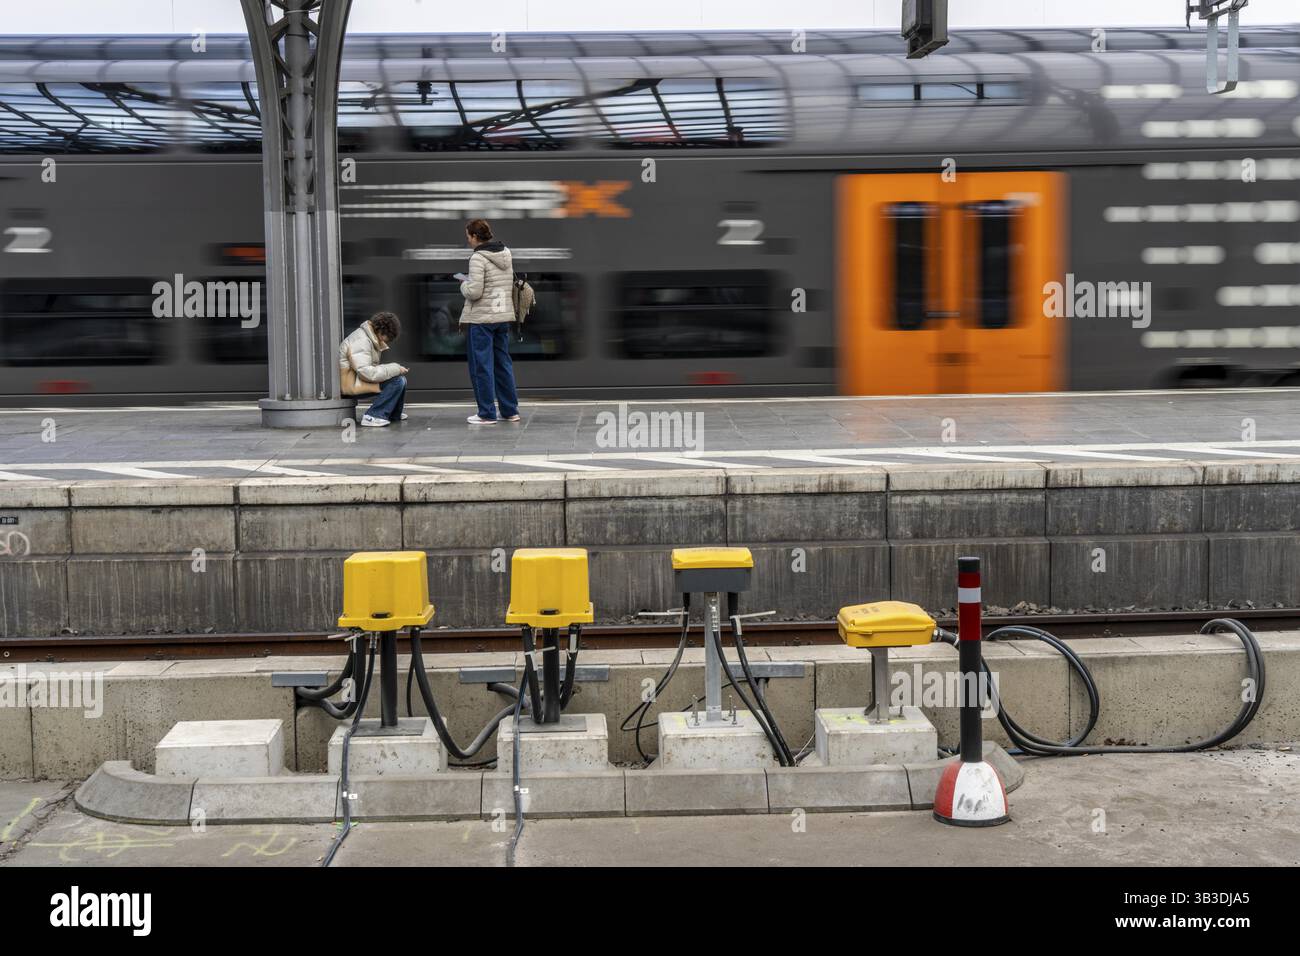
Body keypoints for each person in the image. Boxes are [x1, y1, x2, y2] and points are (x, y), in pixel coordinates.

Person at [458, 218, 520, 425]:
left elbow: (474, 292)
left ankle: (486, 413)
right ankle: (510, 411)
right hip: (502, 316)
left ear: (475, 236)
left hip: (482, 320)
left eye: (468, 236)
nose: (467, 240)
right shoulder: (506, 253)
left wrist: (463, 284)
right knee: (503, 364)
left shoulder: (477, 258)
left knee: (481, 367)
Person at [338, 311, 409, 427]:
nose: (386, 341)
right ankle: (373, 415)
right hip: (350, 384)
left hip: (356, 380)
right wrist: (395, 368)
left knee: (400, 379)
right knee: (397, 381)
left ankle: (392, 413)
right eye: (388, 337)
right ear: (381, 331)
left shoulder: (369, 337)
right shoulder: (361, 340)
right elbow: (367, 373)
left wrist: (395, 370)